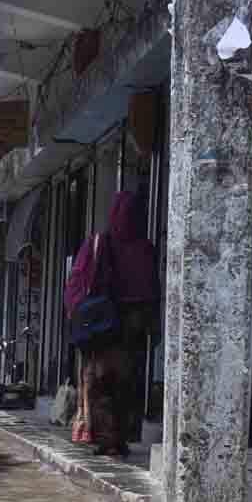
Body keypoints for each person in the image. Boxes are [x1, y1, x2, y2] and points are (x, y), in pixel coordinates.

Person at [64, 189, 158, 457]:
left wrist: (77, 314)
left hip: (102, 325)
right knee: (126, 384)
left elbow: (77, 281)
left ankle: (107, 438)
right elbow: (152, 289)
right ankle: (121, 436)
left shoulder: (101, 242)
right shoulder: (145, 249)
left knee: (101, 382)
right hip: (133, 328)